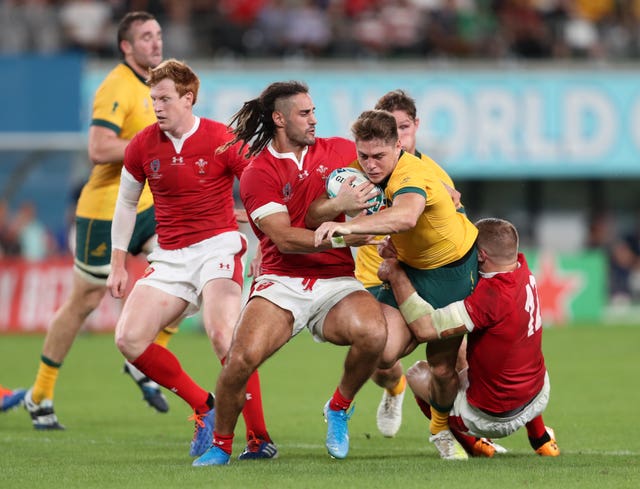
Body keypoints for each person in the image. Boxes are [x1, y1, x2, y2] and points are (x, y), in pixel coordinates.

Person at [193, 81, 388, 466]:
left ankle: (339, 407)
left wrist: (440, 187)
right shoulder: (257, 172)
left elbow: (395, 163)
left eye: (314, 111)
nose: (314, 120)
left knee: (374, 333)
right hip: (282, 281)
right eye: (305, 113)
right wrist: (346, 232)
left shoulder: (341, 151)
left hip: (336, 282)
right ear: (279, 119)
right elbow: (283, 239)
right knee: (239, 360)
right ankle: (220, 445)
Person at [106, 59, 276, 461]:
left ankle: (259, 437)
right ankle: (204, 405)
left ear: (188, 98)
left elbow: (259, 189)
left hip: (217, 247)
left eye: (165, 98)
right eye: (153, 99)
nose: (157, 107)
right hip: (170, 256)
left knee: (224, 336)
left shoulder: (222, 138)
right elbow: (126, 204)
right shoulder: (142, 144)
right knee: (128, 339)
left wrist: (262, 241)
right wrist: (117, 263)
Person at [23, 11, 172, 431]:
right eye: (146, 37)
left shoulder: (159, 86)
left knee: (190, 273)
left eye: (158, 35)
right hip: (105, 211)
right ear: (126, 46)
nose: (155, 43)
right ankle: (40, 394)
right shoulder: (117, 85)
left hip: (145, 207)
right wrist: (149, 149)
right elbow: (99, 147)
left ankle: (145, 359)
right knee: (83, 303)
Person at [312, 109, 478, 460]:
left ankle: (441, 430)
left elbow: (406, 216)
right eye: (363, 156)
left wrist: (348, 227)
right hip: (409, 271)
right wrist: (335, 220)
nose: (370, 165)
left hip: (453, 276)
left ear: (397, 147)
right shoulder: (366, 176)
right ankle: (340, 405)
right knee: (383, 351)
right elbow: (323, 215)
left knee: (444, 368)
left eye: (378, 156)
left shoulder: (411, 173)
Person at [377, 218, 560, 457]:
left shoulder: (491, 297)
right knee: (472, 347)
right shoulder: (522, 268)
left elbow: (425, 329)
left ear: (481, 256)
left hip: (491, 418)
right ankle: (540, 437)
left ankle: (468, 441)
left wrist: (397, 273)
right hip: (538, 394)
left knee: (418, 373)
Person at [361, 89, 465, 439]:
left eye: (404, 127)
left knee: (454, 362)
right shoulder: (361, 164)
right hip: (372, 276)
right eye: (392, 129)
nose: (400, 137)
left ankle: (456, 431)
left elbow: (451, 229)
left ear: (415, 126)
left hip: (425, 276)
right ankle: (395, 388)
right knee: (379, 358)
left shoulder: (434, 175)